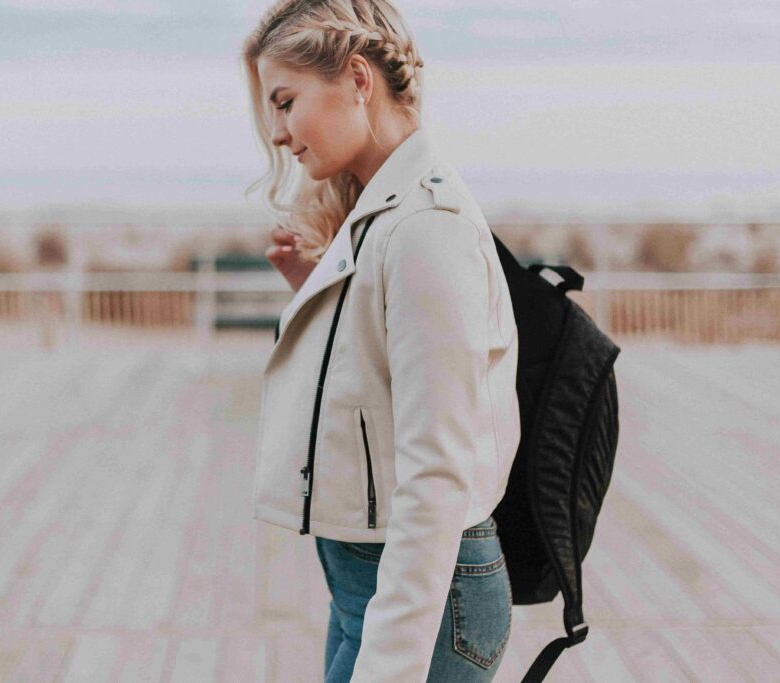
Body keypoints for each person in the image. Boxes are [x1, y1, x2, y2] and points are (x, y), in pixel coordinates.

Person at [242, 1, 521, 681]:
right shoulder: (382, 214)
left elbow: (437, 471)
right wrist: (319, 287)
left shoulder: (425, 227)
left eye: (286, 101)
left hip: (422, 599)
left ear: (358, 80)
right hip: (372, 585)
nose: (279, 133)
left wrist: (390, 663)